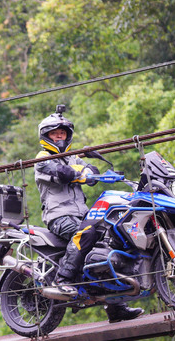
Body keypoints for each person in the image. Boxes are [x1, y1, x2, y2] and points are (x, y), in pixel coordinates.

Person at [35, 105, 143, 323]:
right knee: (85, 233)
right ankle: (63, 279)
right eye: (55, 133)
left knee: (110, 239)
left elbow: (92, 170)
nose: (59, 137)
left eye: (62, 133)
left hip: (81, 214)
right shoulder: (42, 158)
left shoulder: (73, 157)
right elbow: (62, 174)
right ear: (46, 136)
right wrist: (80, 174)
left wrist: (93, 173)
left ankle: (114, 306)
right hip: (59, 217)